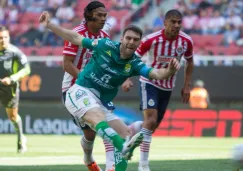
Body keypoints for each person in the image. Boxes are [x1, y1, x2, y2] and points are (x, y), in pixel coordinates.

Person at [39, 11, 180, 171]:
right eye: (128, 38)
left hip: (100, 102)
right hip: (79, 91)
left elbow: (155, 73)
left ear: (139, 43)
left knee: (126, 132)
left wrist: (169, 71)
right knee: (99, 121)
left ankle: (121, 150)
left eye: (135, 40)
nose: (131, 42)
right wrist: (50, 25)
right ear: (122, 39)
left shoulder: (134, 64)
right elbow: (76, 38)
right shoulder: (105, 45)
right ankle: (122, 147)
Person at [122, 9, 194, 171]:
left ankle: (132, 131)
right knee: (151, 120)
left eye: (179, 22)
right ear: (165, 23)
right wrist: (127, 78)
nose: (176, 25)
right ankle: (143, 165)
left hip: (168, 86)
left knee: (151, 126)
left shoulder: (186, 41)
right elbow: (133, 57)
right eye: (173, 22)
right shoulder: (151, 40)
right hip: (149, 82)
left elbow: (190, 62)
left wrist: (187, 85)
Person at [61, 1, 116, 171]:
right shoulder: (75, 34)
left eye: (104, 15)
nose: (102, 19)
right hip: (73, 89)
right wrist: (86, 81)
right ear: (89, 15)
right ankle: (88, 159)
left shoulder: (105, 38)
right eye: (99, 15)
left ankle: (111, 167)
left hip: (97, 90)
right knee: (90, 134)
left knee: (106, 126)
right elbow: (67, 64)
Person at [0, 26, 31, 153]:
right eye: (0, 38)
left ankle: (21, 139)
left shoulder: (15, 52)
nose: (3, 40)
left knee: (12, 117)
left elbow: (26, 69)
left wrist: (12, 78)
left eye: (5, 37)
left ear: (9, 37)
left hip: (9, 87)